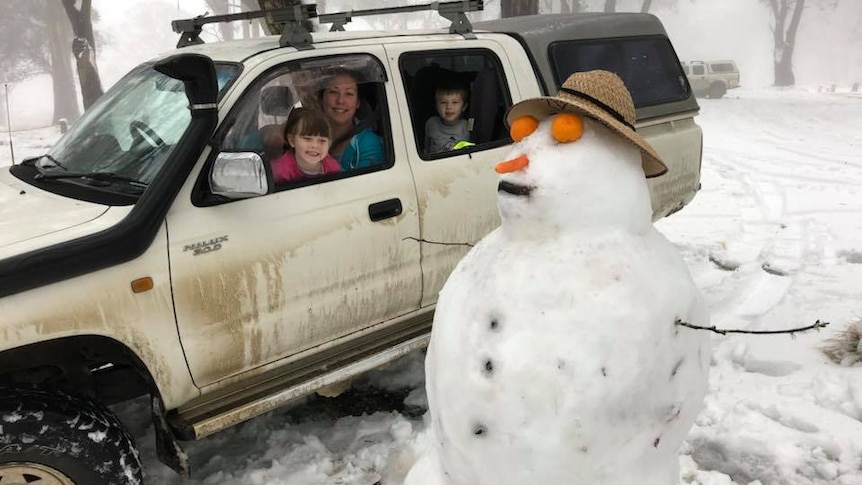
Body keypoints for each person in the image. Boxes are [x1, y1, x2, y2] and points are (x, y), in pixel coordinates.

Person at [319, 68, 384, 171]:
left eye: (349, 94)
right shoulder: (305, 133)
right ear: (322, 98)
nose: (340, 100)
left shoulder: (368, 143)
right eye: (333, 92)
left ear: (358, 102)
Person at [269, 107, 341, 184]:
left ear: (329, 144)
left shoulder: (333, 168)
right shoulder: (280, 171)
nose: (315, 145)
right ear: (292, 140)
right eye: (307, 139)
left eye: (322, 140)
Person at [424, 84, 471, 154]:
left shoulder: (469, 124)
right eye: (443, 102)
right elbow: (426, 147)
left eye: (455, 102)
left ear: (464, 106)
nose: (449, 107)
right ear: (436, 106)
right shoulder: (431, 123)